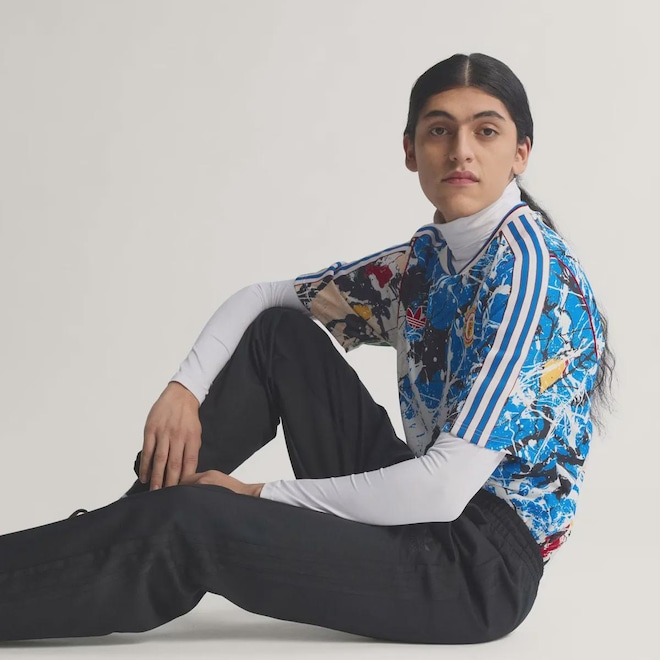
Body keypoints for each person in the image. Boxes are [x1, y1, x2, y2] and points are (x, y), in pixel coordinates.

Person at [0, 52, 614, 645]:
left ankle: (111, 545)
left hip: (473, 569)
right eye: (439, 130)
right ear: (410, 150)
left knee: (194, 525)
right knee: (281, 338)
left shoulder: (529, 275)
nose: (461, 150)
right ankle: (113, 535)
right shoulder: (428, 260)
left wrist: (252, 496)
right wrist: (183, 389)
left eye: (486, 131)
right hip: (426, 511)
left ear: (520, 152)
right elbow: (265, 296)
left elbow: (443, 488)